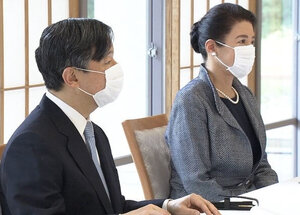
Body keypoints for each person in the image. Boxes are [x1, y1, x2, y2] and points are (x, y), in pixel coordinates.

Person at [0, 18, 220, 215]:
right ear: (72, 77)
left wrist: (168, 206)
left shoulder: (92, 131)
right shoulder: (31, 145)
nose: (116, 68)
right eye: (107, 62)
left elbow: (111, 207)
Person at [165, 3, 278, 202]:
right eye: (241, 41)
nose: (249, 49)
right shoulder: (191, 100)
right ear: (212, 47)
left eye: (251, 41)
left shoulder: (244, 94)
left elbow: (261, 165)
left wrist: (274, 197)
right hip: (207, 206)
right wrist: (249, 203)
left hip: (250, 201)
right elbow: (196, 182)